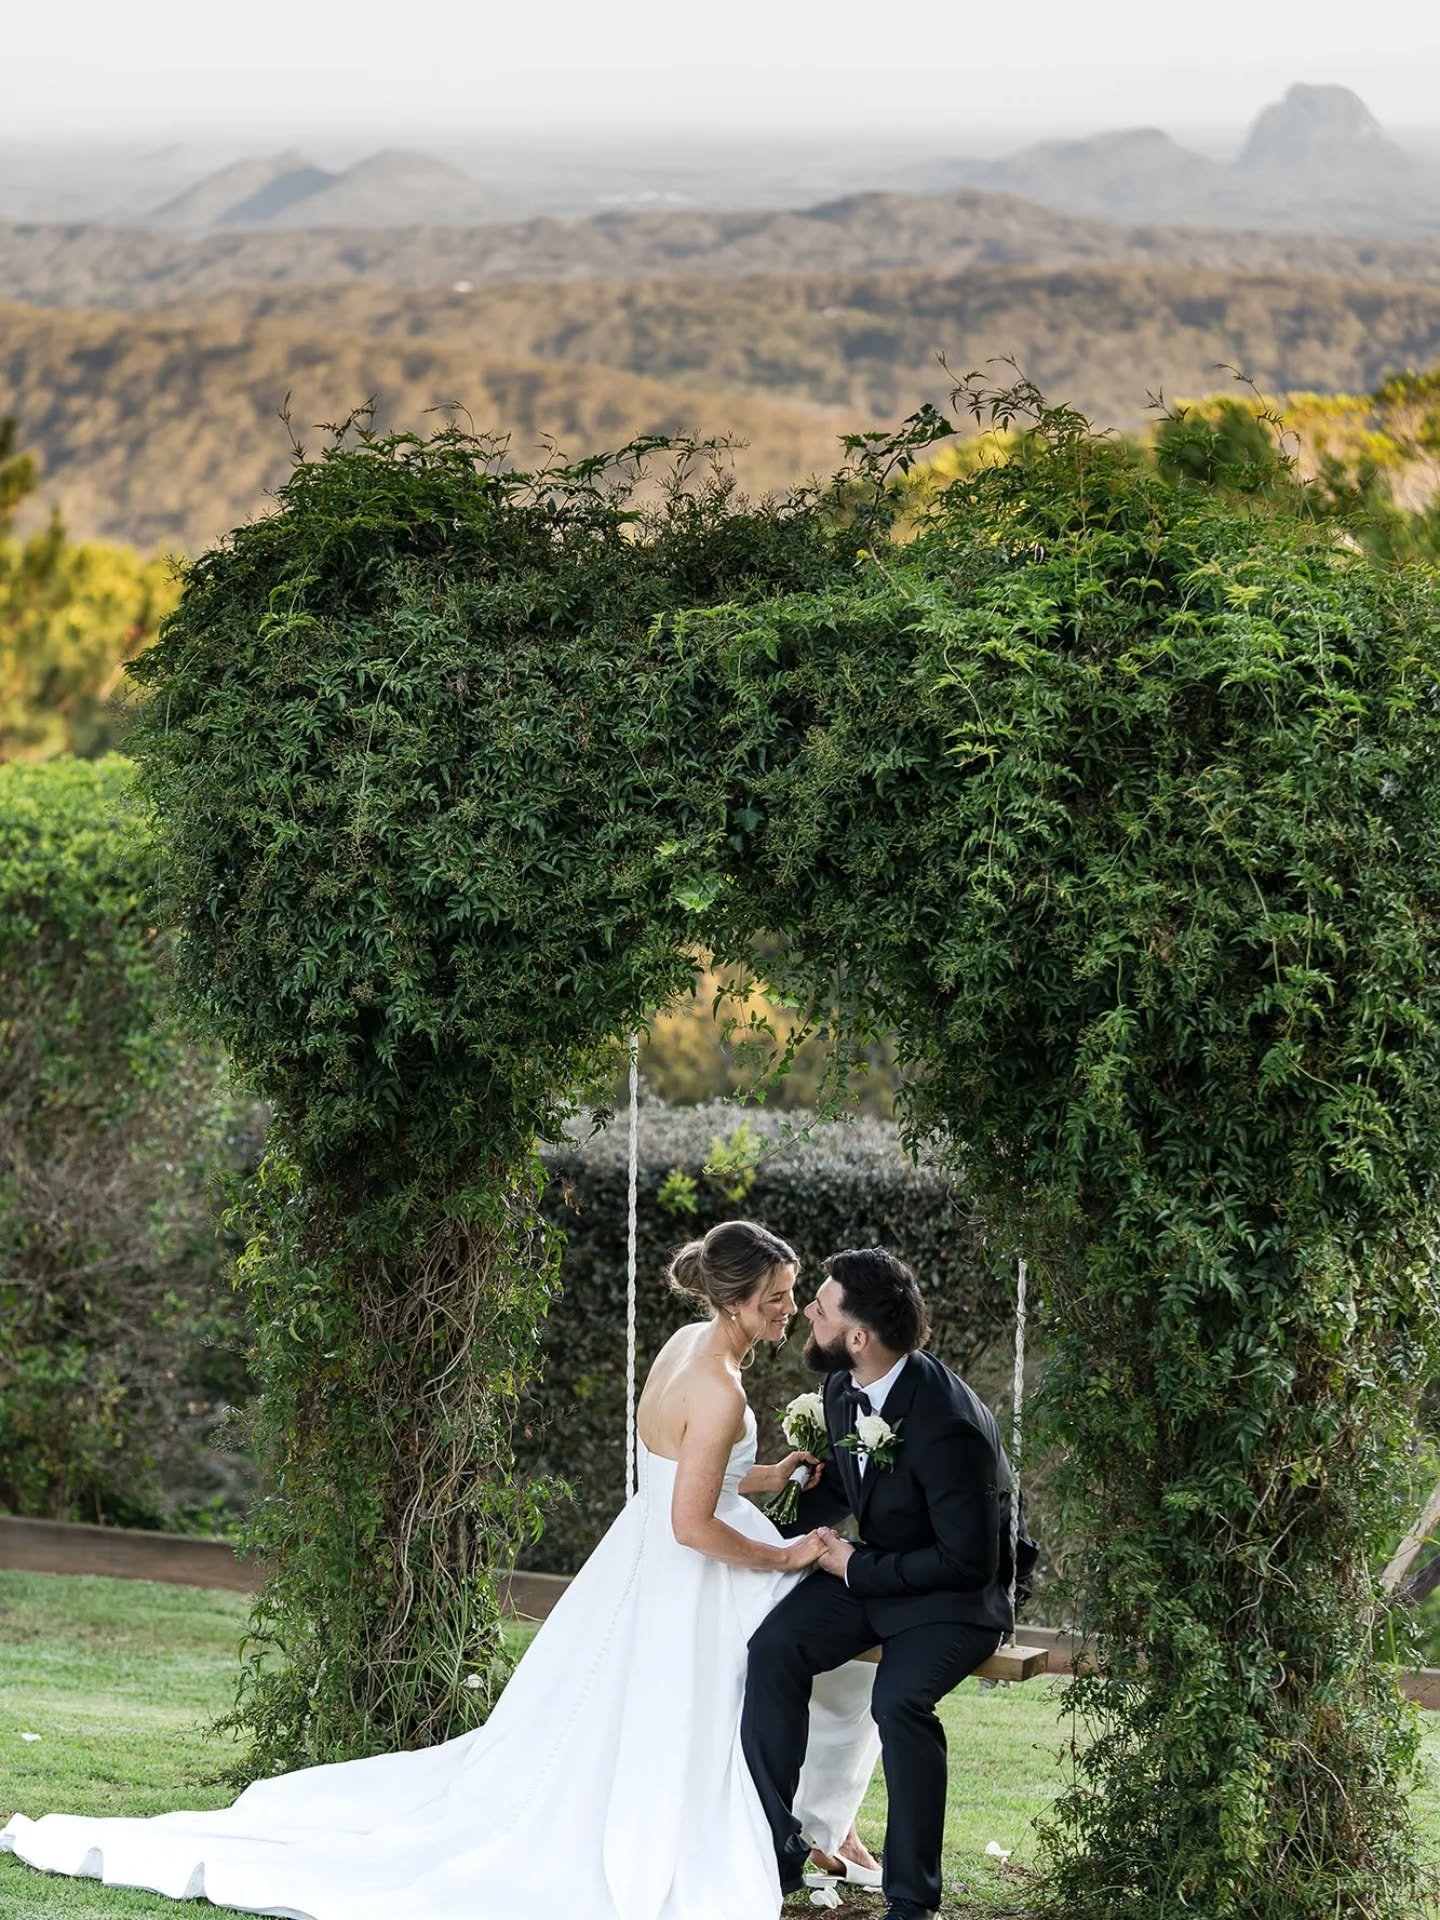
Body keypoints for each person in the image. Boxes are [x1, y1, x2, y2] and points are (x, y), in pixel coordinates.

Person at [1, 1220, 882, 1920]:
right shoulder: (722, 1387)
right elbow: (693, 1525)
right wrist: (789, 1548)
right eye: (776, 1295)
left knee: (690, 1706)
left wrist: (767, 1475)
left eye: (791, 1292)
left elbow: (684, 1472)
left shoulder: (688, 1345)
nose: (789, 1307)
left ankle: (816, 1831)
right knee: (793, 1670)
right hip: (686, 1569)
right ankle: (807, 1831)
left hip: (640, 1557)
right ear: (734, 1302)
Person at [742, 1246, 1025, 1920]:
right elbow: (845, 1485)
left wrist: (855, 1567)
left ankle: (912, 1900)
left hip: (954, 1601)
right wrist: (755, 1522)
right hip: (877, 1577)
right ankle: (775, 1846)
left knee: (899, 1704)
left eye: (822, 1306)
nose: (807, 1310)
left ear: (859, 1337)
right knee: (773, 1648)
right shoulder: (845, 1389)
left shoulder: (950, 1424)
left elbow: (969, 1562)